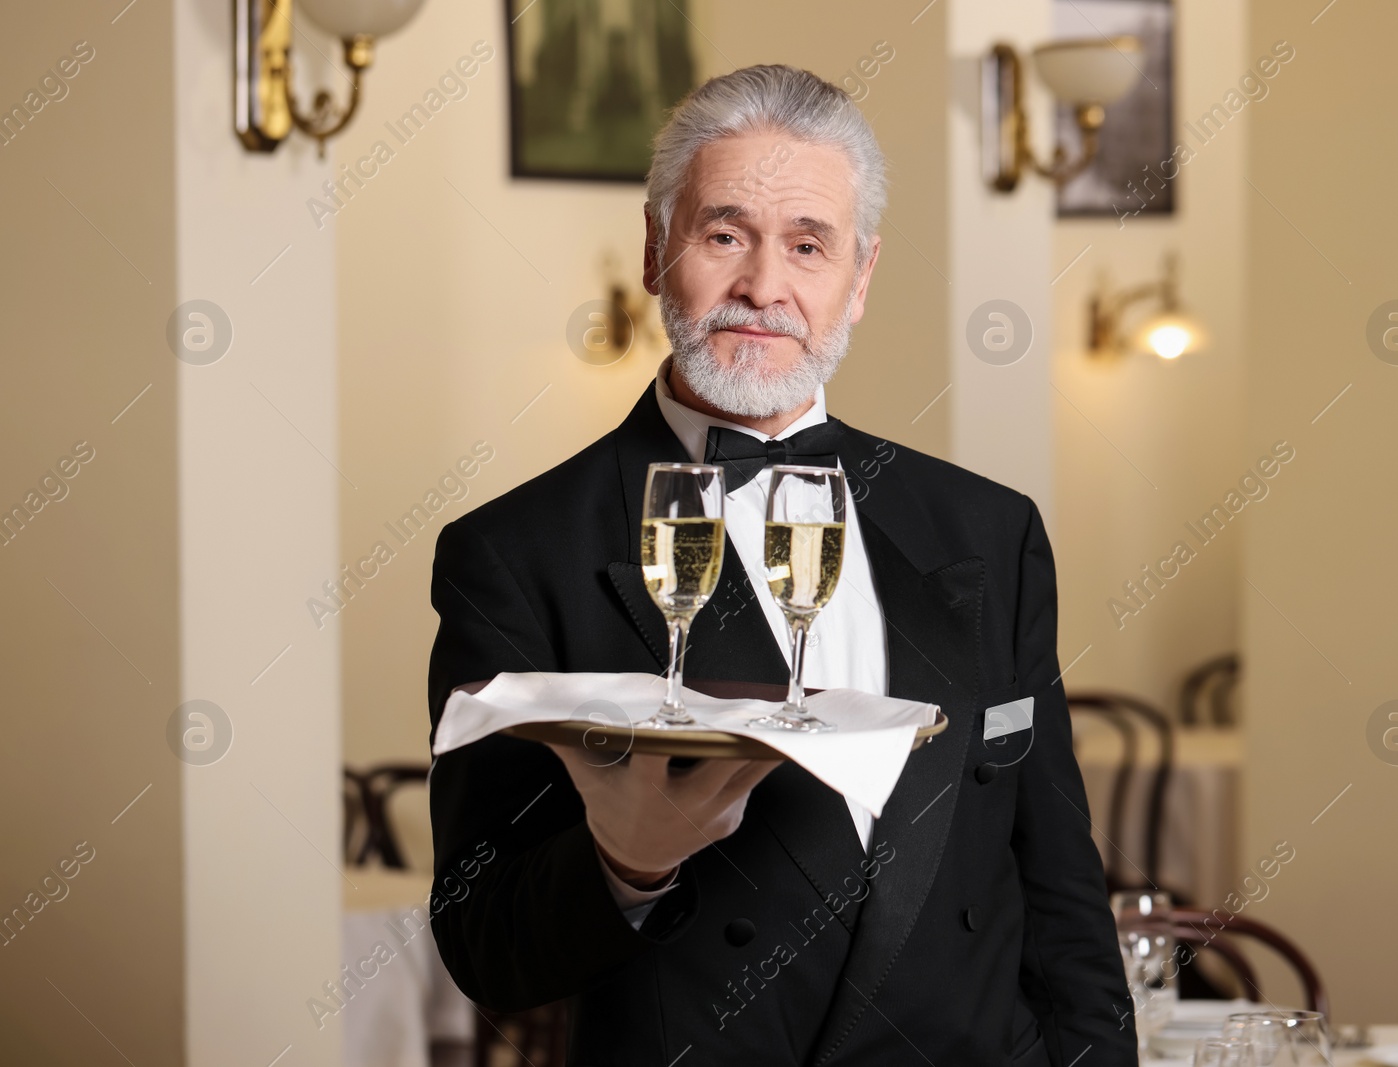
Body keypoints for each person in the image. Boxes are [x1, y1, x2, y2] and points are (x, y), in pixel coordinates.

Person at [426, 63, 1135, 1065]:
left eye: (808, 245)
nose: (765, 285)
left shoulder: (987, 529)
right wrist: (624, 863)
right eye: (725, 236)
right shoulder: (515, 552)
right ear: (653, 248)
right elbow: (485, 945)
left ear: (859, 277)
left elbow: (1061, 888)